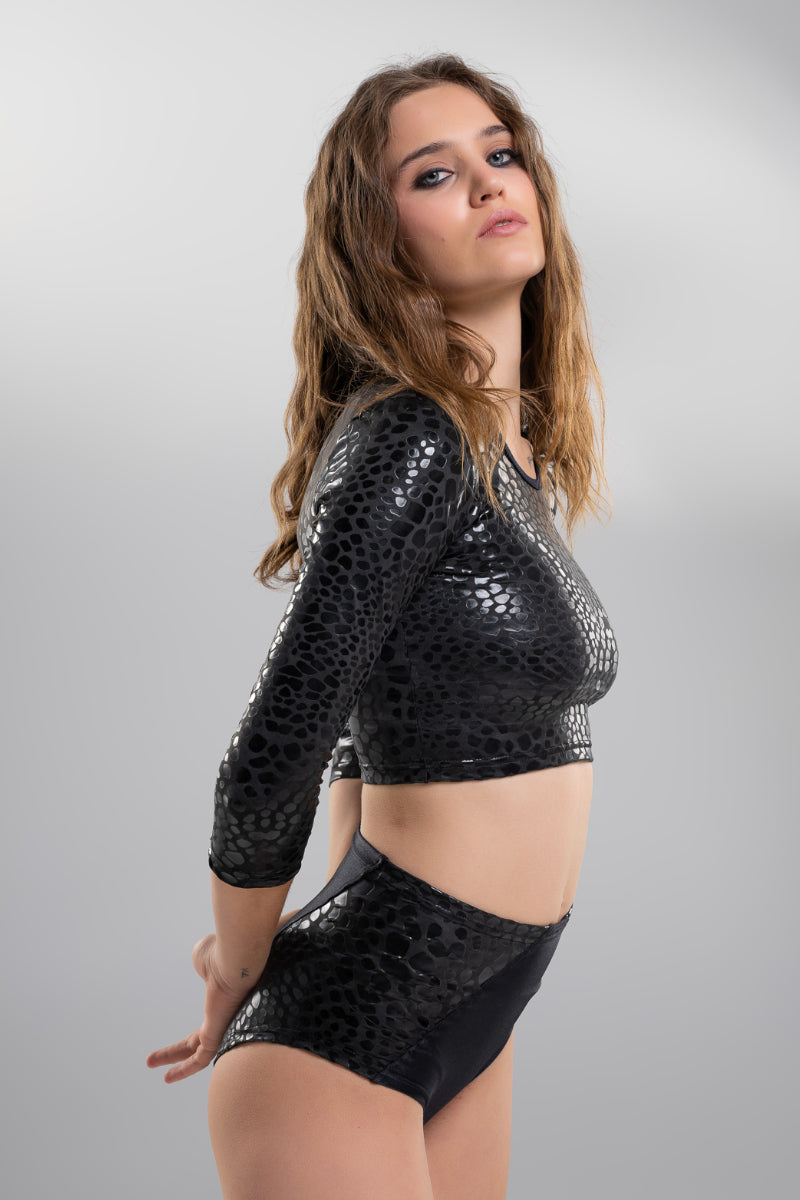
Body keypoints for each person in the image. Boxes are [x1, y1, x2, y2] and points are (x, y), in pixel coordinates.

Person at [147, 52, 619, 1200]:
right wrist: (243, 965)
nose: (487, 182)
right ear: (377, 240)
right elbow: (275, 745)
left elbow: (370, 731)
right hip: (352, 1022)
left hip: (474, 1001)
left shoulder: (506, 457)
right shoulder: (412, 436)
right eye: (432, 174)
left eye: (499, 154)